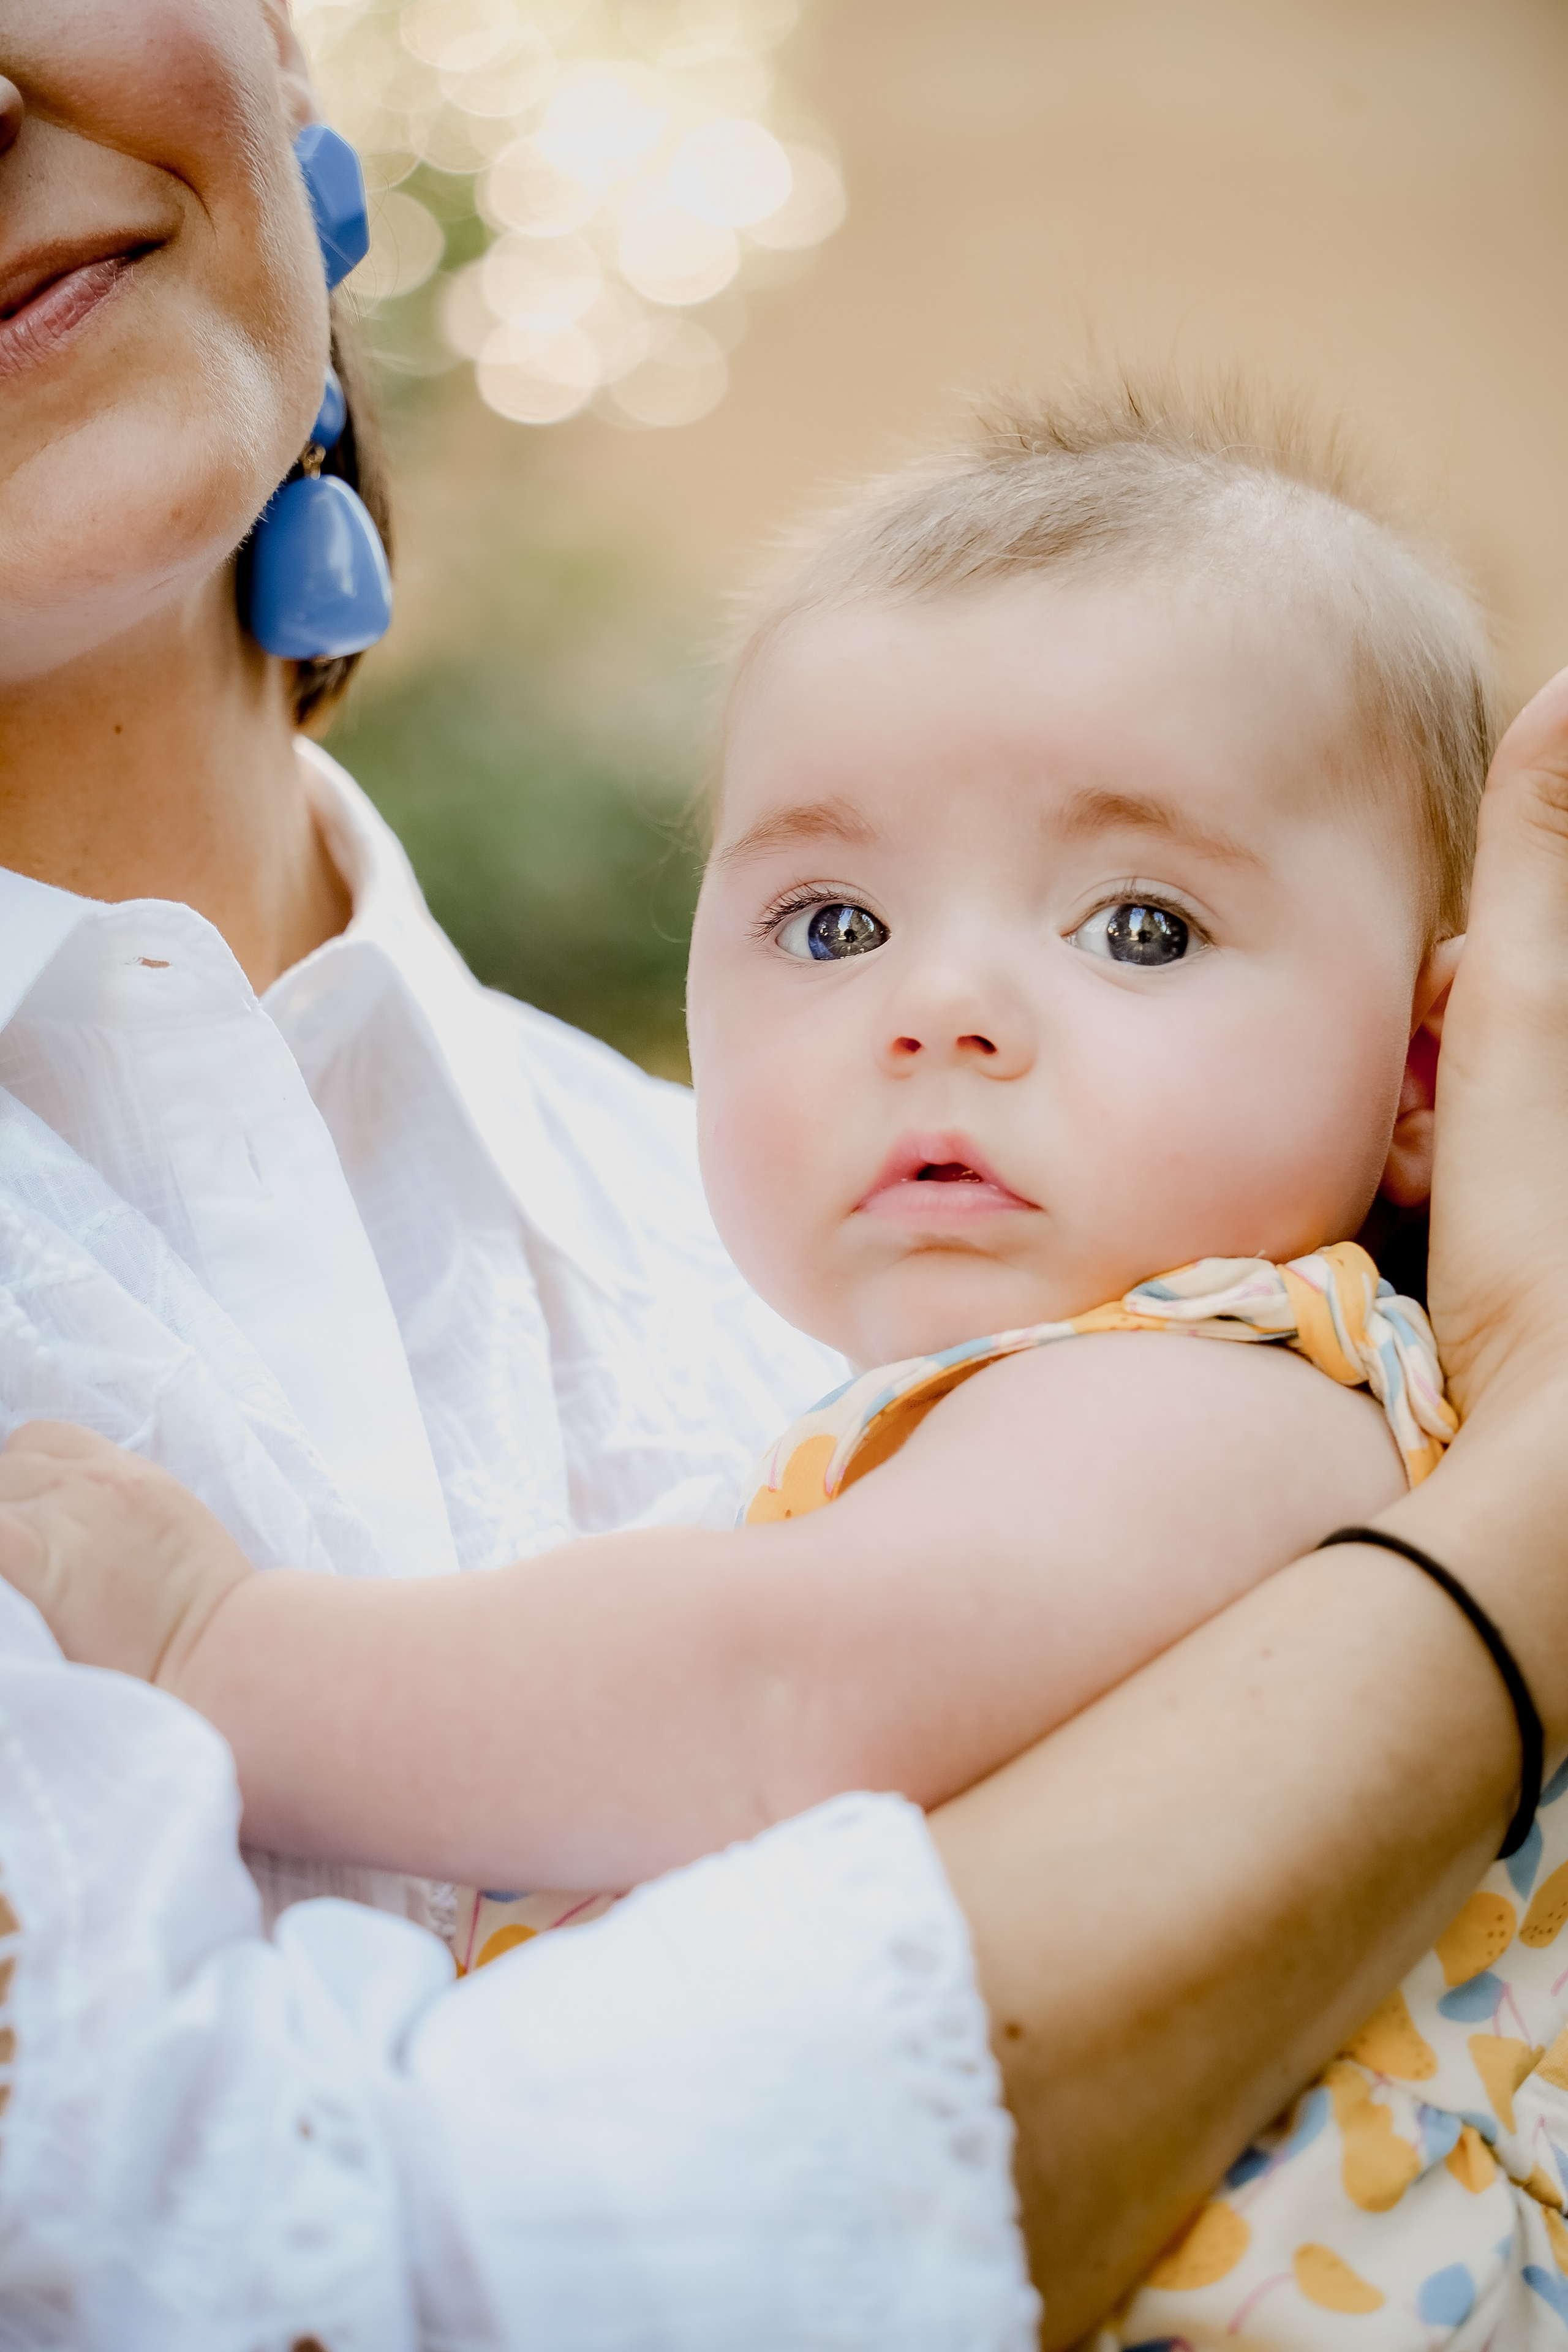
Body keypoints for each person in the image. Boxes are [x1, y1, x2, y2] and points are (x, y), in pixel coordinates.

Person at [1, 3, 1567, 2343]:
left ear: (1431, 1069)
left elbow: (768, 1697)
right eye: (831, 925)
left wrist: (234, 1654)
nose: (943, 1012)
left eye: (1141, 926)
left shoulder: (1260, 1377)